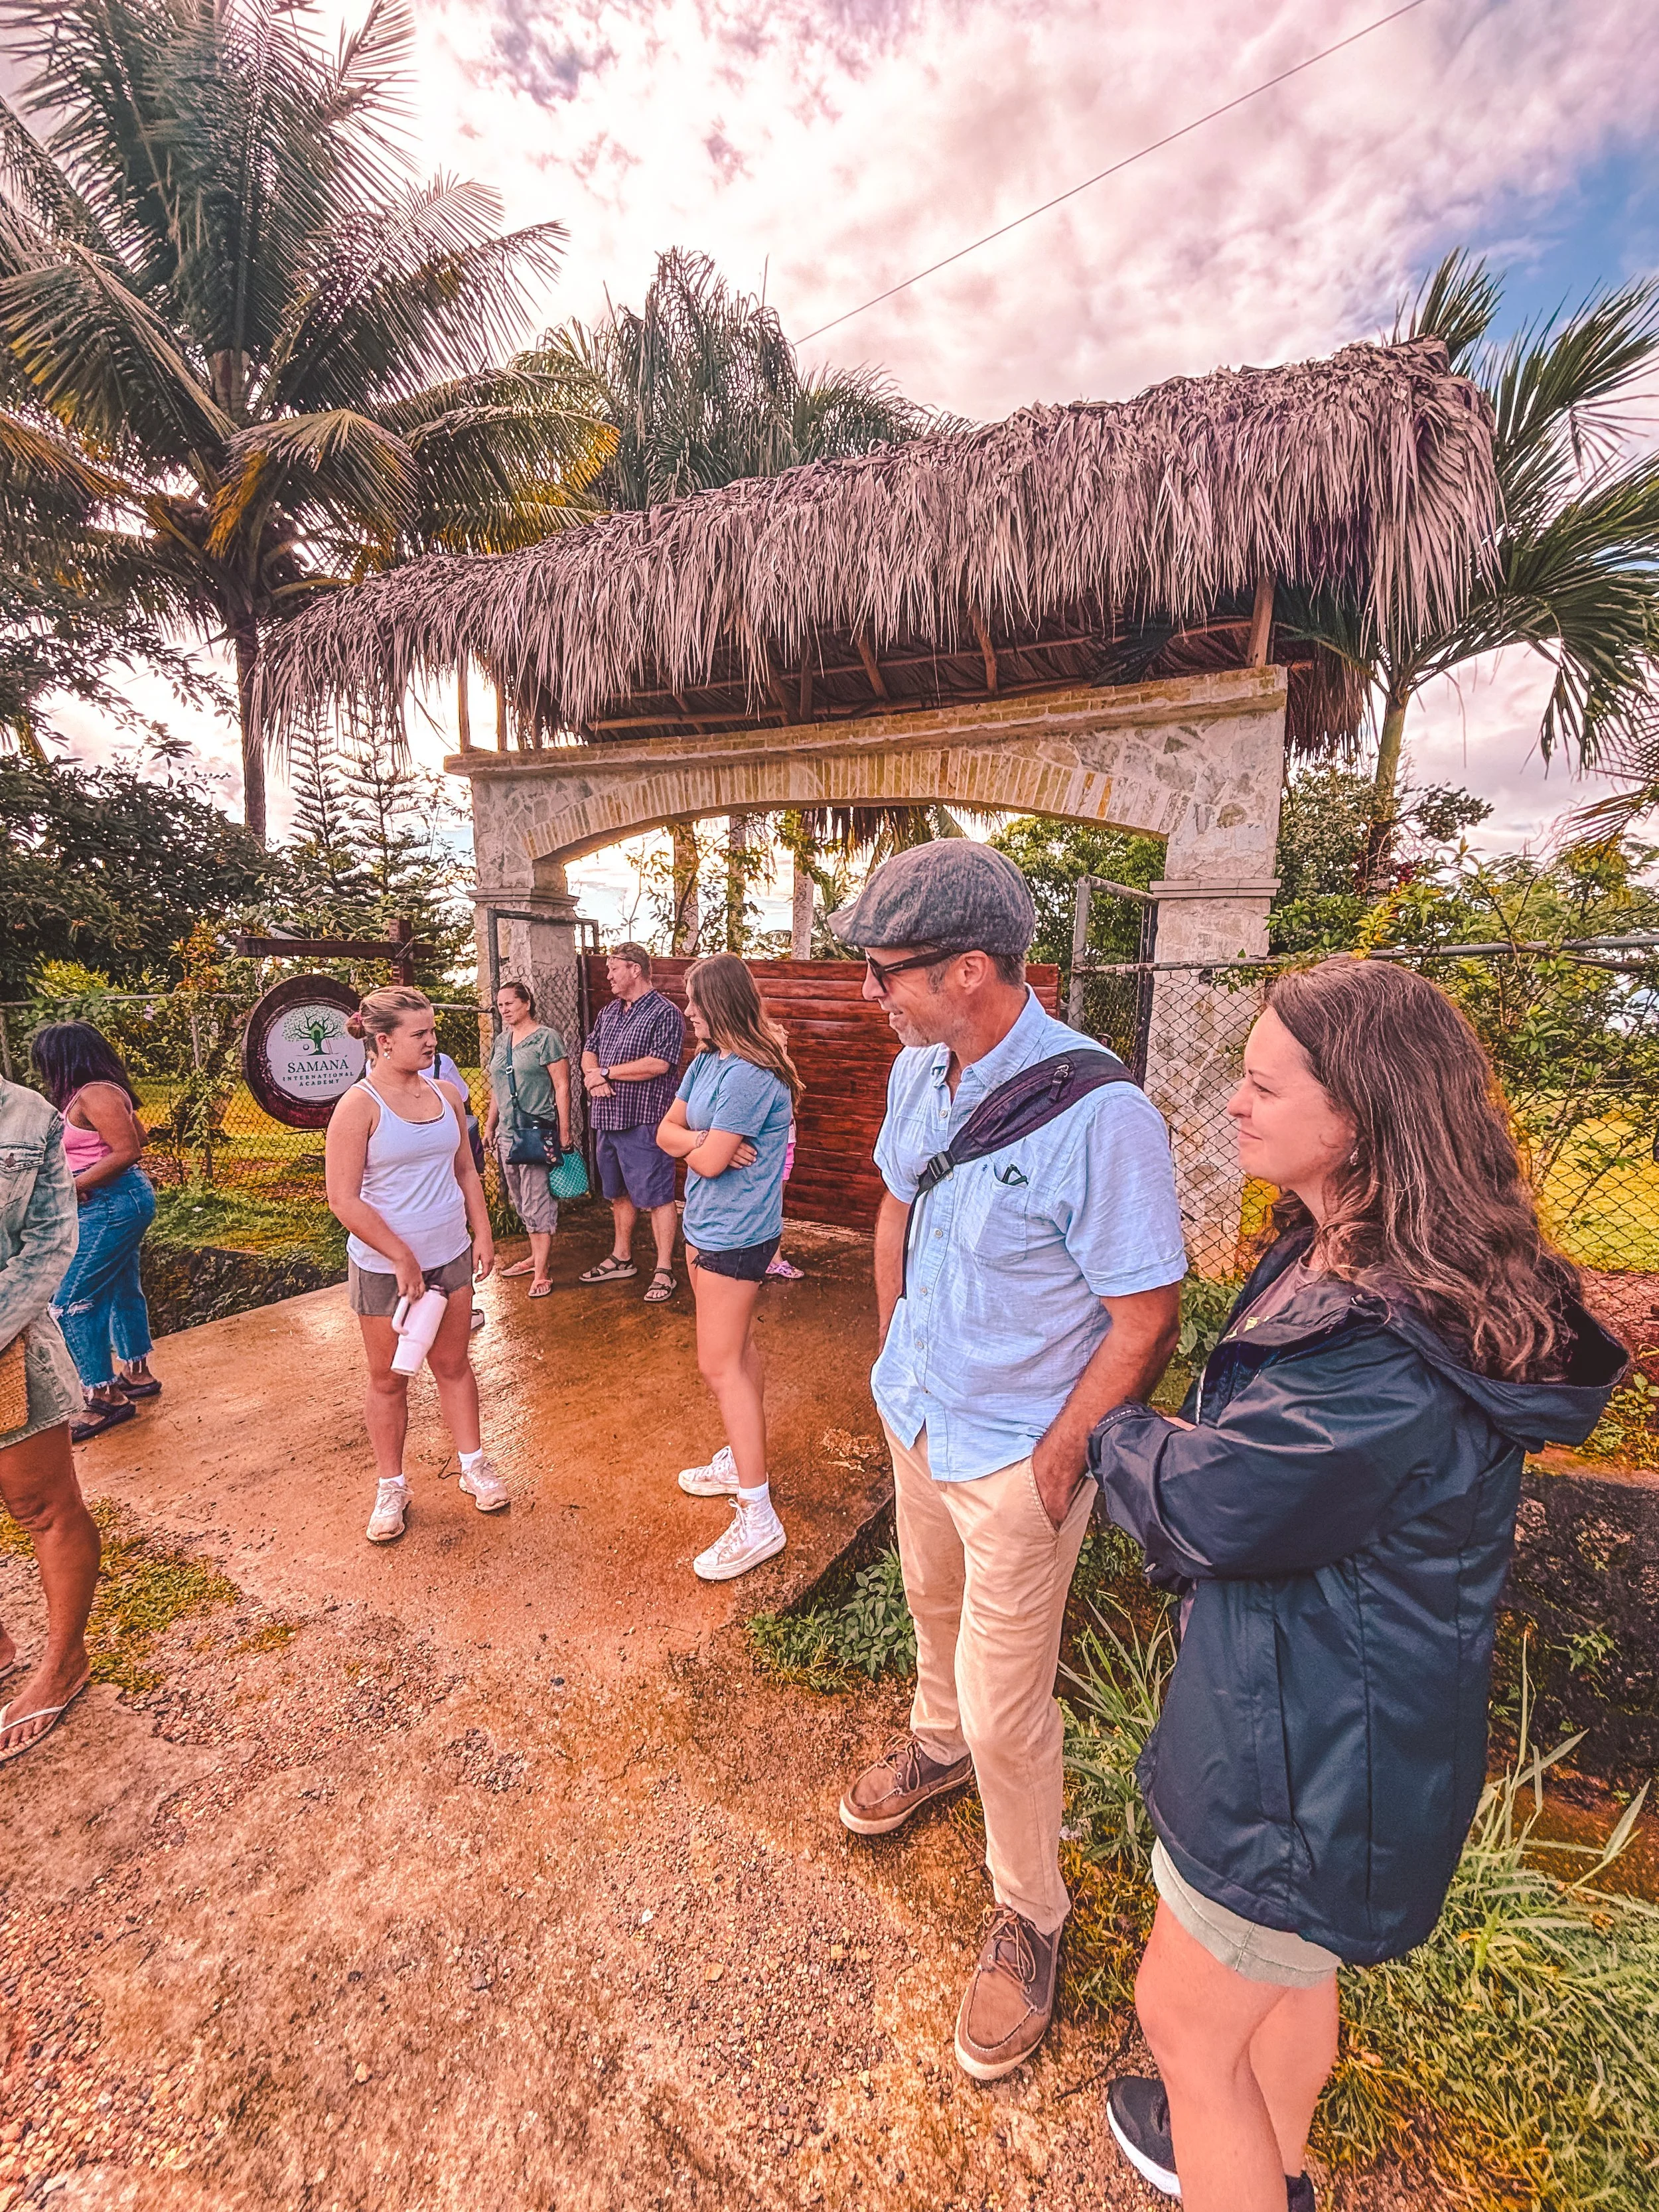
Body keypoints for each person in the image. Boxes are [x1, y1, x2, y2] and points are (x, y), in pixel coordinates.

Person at [1088, 958, 1625, 2212]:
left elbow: (1223, 1499)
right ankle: (1282, 2162)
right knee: (1289, 1966)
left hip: (1307, 1746)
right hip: (1345, 1715)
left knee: (1184, 2019)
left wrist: (1107, 1428)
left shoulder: (1387, 1345)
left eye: (1265, 1083)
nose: (1231, 1101)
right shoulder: (1350, 1251)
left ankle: (1234, 2157)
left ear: (1364, 1115)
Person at [830, 841, 1187, 2083]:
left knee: (1009, 1704)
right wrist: (893, 1351)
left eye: (888, 971)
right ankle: (932, 1746)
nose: (872, 992)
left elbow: (1145, 1315)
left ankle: (1031, 1910)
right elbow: (897, 1203)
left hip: (1019, 1457)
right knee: (931, 1610)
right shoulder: (920, 1073)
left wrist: (1059, 1459)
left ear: (969, 969)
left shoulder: (1104, 1115)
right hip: (921, 1415)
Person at [325, 986, 504, 1545]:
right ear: (383, 1041)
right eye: (419, 1033)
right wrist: (400, 1255)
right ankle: (392, 1485)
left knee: (454, 1365)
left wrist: (483, 1231)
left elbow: (466, 1172)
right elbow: (343, 1199)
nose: (432, 1041)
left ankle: (473, 1466)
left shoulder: (447, 1093)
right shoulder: (358, 1107)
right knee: (388, 1379)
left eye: (432, 1031)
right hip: (386, 1271)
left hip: (449, 1254)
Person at [654, 954, 800, 1581]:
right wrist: (701, 1144)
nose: (687, 1011)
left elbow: (711, 1163)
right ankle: (740, 1464)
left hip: (736, 1234)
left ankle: (758, 1512)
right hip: (708, 1225)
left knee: (718, 1363)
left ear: (721, 1004)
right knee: (737, 1353)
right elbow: (669, 1133)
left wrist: (703, 1150)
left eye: (694, 1001)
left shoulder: (747, 1074)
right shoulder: (707, 1061)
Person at [0, 1072, 101, 1764]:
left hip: (8, 1342)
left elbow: (49, 1245)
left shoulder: (26, 1120)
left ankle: (64, 1661)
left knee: (42, 1505)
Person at [32, 1021, 160, 1443]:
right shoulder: (97, 1094)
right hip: (118, 1201)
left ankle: (103, 1397)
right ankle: (136, 1373)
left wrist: (75, 1184)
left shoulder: (95, 1093)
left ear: (62, 1058)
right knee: (121, 1288)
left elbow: (129, 1150)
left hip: (110, 1204)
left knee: (70, 1302)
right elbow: (137, 1133)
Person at [579, 944, 685, 1305]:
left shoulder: (665, 1013)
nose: (608, 976)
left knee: (658, 1197)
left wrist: (607, 1073)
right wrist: (594, 1074)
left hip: (644, 1120)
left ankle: (664, 1269)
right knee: (617, 1194)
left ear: (635, 970)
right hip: (607, 1118)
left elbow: (660, 1064)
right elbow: (589, 1049)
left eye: (614, 969)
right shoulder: (609, 1011)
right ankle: (622, 1257)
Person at [480, 982, 572, 1299]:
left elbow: (562, 1086)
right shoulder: (502, 1041)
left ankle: (542, 1272)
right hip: (507, 1134)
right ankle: (536, 1256)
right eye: (500, 1005)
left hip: (536, 1131)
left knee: (537, 1200)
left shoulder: (546, 1039)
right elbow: (497, 1086)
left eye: (510, 1003)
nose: (504, 1010)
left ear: (527, 1003)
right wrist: (490, 1125)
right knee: (519, 1199)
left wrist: (565, 1132)